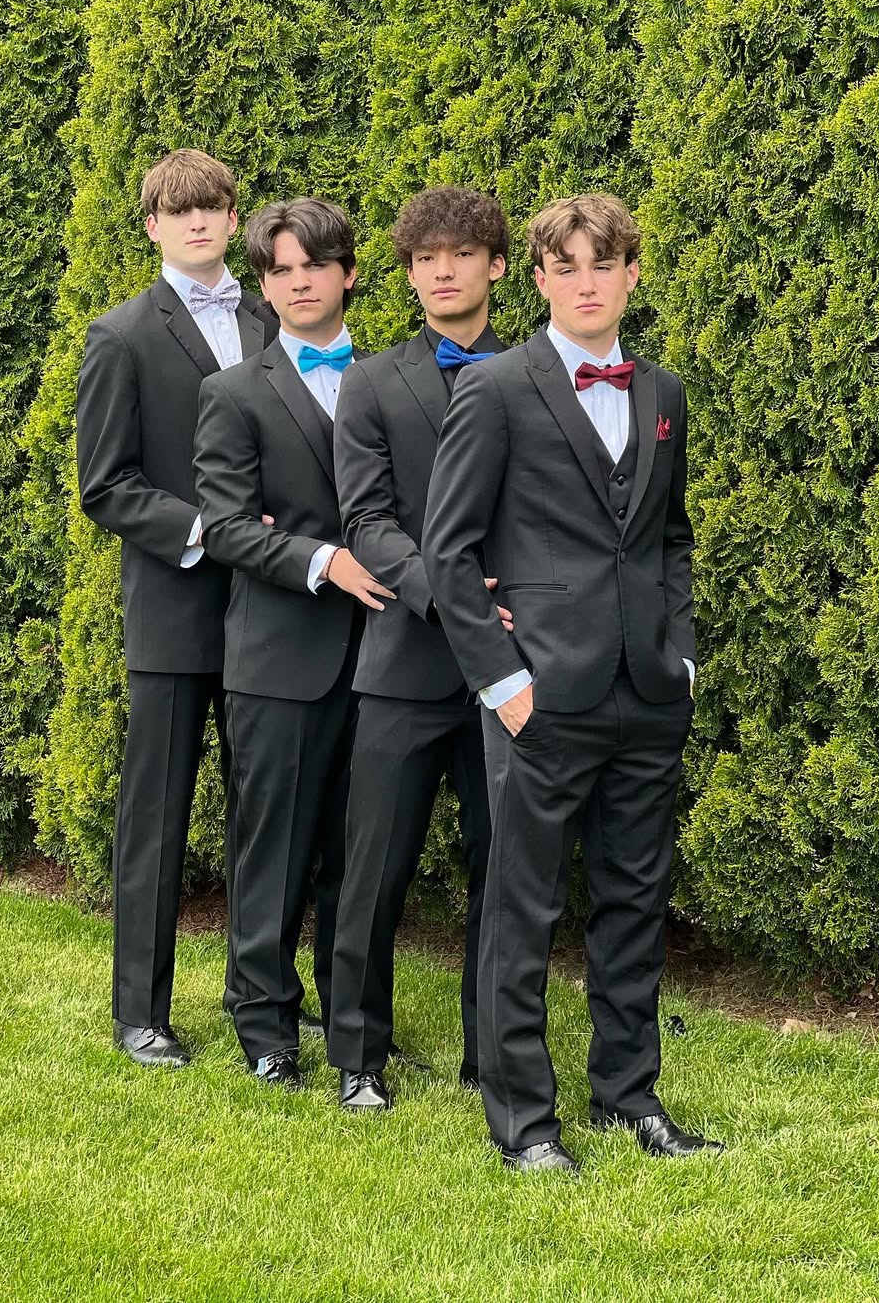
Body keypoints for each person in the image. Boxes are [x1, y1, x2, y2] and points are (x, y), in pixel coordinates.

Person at [422, 193, 724, 1172]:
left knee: (635, 902)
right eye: (567, 267)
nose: (587, 283)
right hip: (540, 695)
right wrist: (501, 682)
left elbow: (669, 538)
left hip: (648, 692)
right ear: (541, 279)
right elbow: (448, 551)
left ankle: (630, 1097)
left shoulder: (664, 391)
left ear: (632, 274)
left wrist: (681, 653)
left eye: (605, 264)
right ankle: (524, 1123)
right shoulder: (497, 388)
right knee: (523, 909)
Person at [76, 149, 277, 1068]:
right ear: (154, 226)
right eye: (178, 210)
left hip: (272, 611)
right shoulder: (121, 336)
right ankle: (140, 1013)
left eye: (212, 207)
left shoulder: (271, 317)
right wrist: (214, 531)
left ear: (234, 219)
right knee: (155, 819)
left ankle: (261, 1000)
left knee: (265, 812)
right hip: (175, 609)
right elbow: (106, 485)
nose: (198, 222)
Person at [194, 198, 391, 1088]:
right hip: (279, 659)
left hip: (386, 657)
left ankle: (354, 1031)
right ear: (264, 288)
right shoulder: (233, 394)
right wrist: (323, 560)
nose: (299, 281)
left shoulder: (391, 380)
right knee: (271, 855)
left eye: (315, 265)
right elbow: (228, 528)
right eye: (280, 270)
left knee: (360, 857)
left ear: (347, 274)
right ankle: (265, 1025)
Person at [328, 187, 513, 1111]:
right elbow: (366, 520)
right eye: (425, 257)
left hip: (509, 669)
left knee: (504, 870)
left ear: (497, 267)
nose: (443, 270)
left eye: (462, 253)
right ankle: (358, 1057)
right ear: (407, 273)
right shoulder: (368, 383)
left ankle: (494, 1054)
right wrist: (456, 596)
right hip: (404, 660)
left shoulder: (535, 375)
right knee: (374, 870)